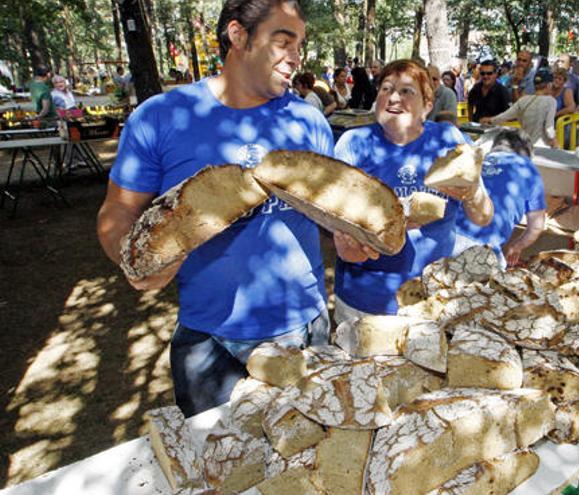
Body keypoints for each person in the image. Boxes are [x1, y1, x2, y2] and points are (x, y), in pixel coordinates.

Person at [96, 0, 339, 418]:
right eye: (284, 41)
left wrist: (349, 239)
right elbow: (117, 210)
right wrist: (132, 256)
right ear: (238, 35)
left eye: (300, 44)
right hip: (210, 341)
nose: (297, 56)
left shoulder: (309, 121)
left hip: (305, 328)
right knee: (217, 467)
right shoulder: (161, 117)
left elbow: (331, 211)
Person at [333, 59, 493, 321]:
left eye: (407, 91)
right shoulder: (353, 143)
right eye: (386, 89)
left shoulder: (448, 140)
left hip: (432, 297)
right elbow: (336, 224)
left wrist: (471, 192)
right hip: (365, 299)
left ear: (427, 106)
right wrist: (348, 238)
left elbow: (483, 217)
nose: (394, 98)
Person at [454, 128, 546, 267]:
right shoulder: (529, 169)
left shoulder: (481, 160)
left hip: (449, 237)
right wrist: (516, 246)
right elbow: (536, 227)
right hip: (484, 249)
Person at [487, 68, 557, 148]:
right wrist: (556, 144)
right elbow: (549, 130)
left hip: (525, 145)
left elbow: (504, 116)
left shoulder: (523, 99)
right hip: (542, 146)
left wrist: (490, 120)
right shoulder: (551, 101)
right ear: (549, 85)